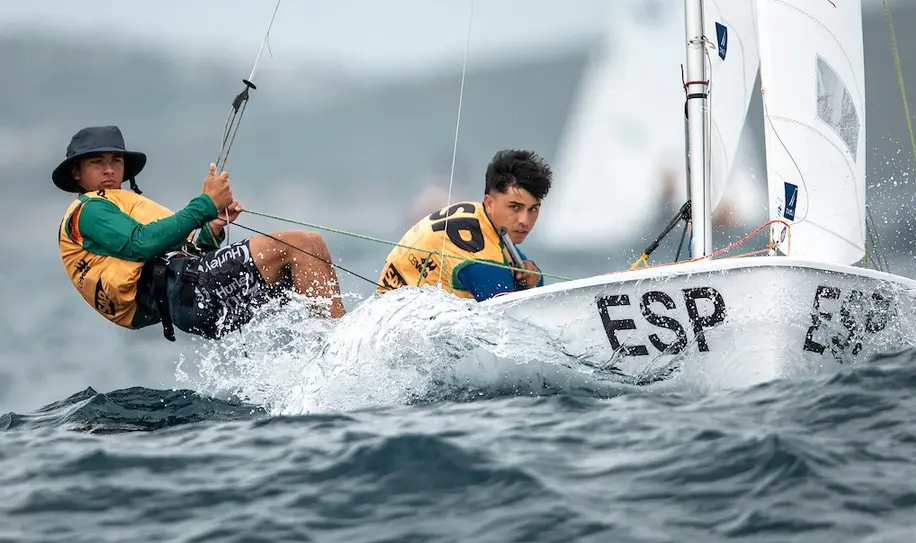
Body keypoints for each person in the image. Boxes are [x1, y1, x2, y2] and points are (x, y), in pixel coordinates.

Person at [54, 125, 346, 341]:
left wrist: (212, 229)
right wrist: (205, 204)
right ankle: (341, 347)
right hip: (188, 294)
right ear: (77, 173)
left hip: (191, 297)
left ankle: (326, 350)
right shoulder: (89, 211)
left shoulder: (117, 206)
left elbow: (183, 251)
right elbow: (142, 244)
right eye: (97, 162)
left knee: (308, 252)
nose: (109, 169)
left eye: (116, 161)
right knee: (302, 245)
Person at [377, 148, 552, 301]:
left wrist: (532, 277)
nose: (524, 220)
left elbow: (532, 287)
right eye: (514, 207)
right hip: (400, 324)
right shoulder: (481, 256)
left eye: (533, 209)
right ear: (489, 203)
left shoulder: (482, 217)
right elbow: (513, 318)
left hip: (390, 306)